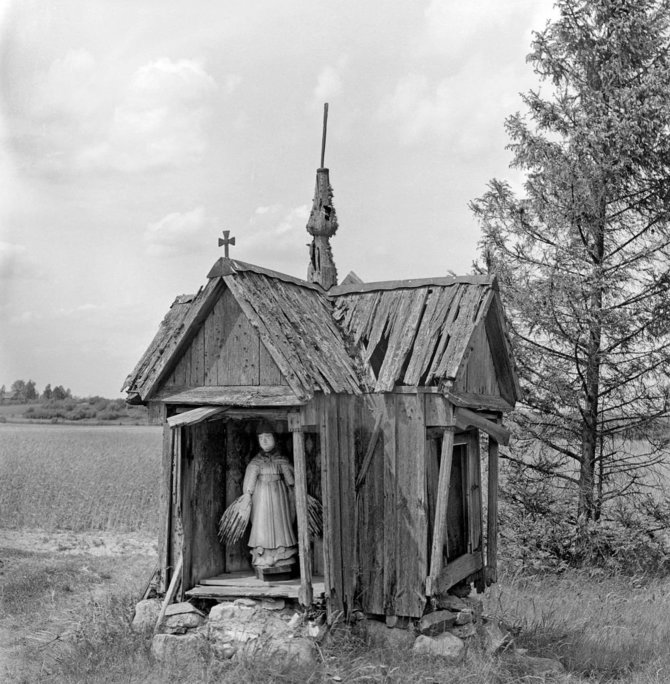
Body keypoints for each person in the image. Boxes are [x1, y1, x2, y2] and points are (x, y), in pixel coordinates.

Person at [241, 421, 298, 574]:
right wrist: (247, 495)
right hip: (261, 499)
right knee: (261, 524)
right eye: (261, 438)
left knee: (281, 523)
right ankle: (262, 554)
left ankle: (283, 552)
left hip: (279, 496)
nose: (264, 441)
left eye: (267, 437)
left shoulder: (282, 460)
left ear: (275, 438)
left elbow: (292, 482)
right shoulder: (256, 462)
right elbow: (249, 485)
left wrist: (291, 482)